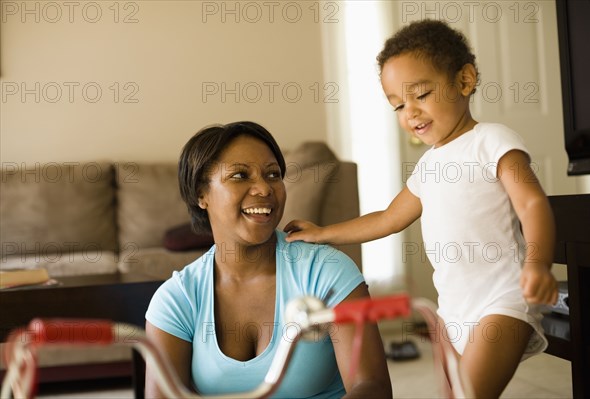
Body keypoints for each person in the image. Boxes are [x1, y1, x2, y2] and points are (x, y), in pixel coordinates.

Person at [285, 20, 558, 398]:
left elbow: (532, 203)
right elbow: (387, 219)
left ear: (464, 81)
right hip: (452, 311)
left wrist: (538, 264)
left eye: (422, 94)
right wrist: (321, 232)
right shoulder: (428, 166)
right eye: (398, 105)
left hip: (504, 299)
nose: (409, 112)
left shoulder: (492, 140)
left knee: (470, 394)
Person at [144, 121, 392, 398]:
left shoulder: (326, 270)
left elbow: (372, 387)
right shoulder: (177, 299)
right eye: (239, 175)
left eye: (273, 174)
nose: (264, 188)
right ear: (201, 194)